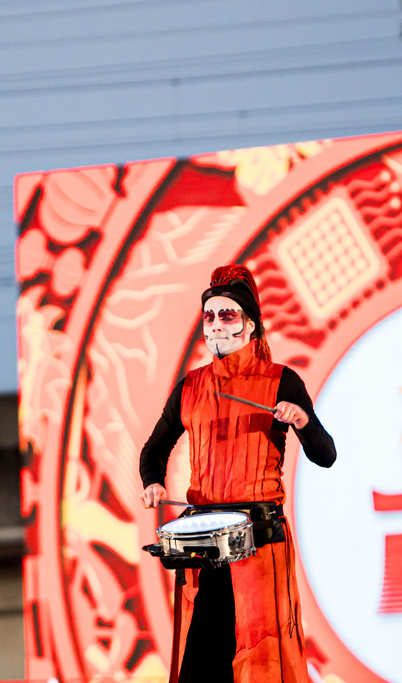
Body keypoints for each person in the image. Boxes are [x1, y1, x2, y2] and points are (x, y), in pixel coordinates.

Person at [139, 265, 336, 683]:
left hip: (258, 544)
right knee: (200, 668)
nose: (216, 325)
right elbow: (154, 448)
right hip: (206, 547)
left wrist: (302, 421)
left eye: (227, 315)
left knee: (261, 663)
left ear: (250, 325)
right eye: (209, 316)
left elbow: (326, 455)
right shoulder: (191, 387)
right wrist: (152, 481)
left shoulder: (281, 382)